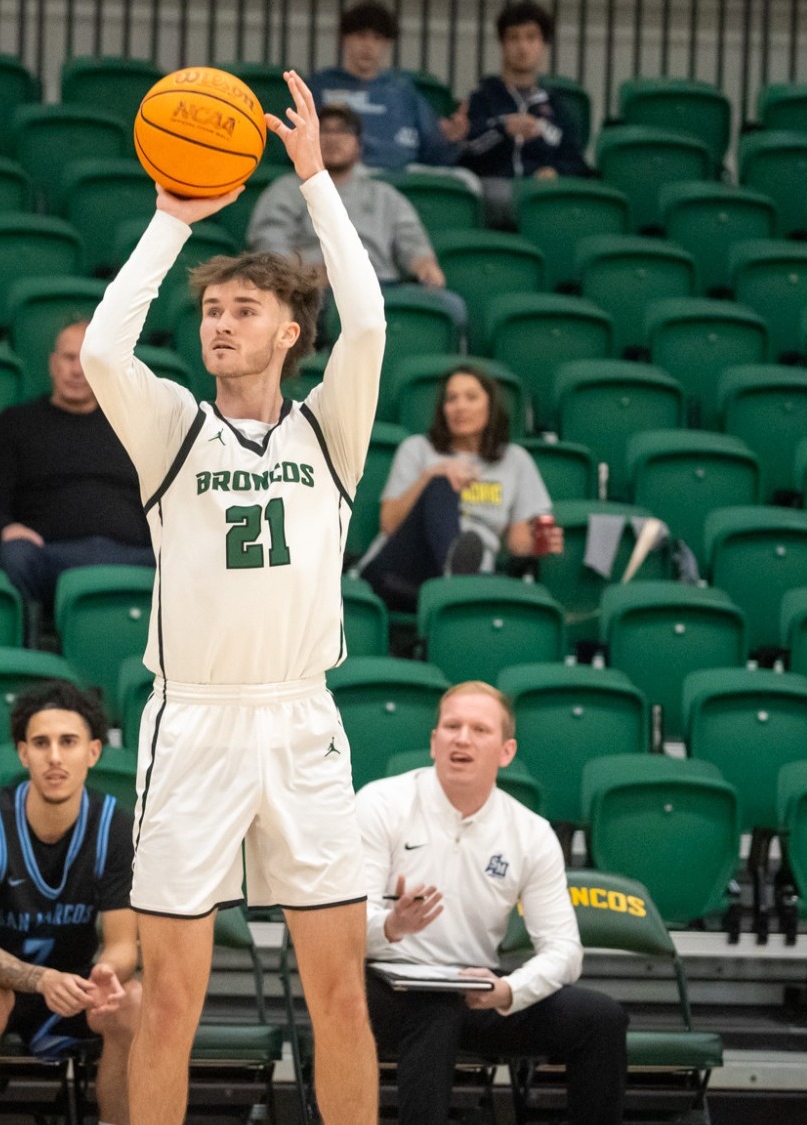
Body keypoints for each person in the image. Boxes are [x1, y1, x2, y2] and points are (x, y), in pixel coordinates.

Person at [80, 72, 383, 1125]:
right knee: (172, 999)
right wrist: (168, 224)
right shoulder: (171, 428)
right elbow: (104, 349)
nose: (217, 324)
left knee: (340, 996)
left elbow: (373, 324)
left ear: (287, 330)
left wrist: (314, 181)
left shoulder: (325, 433)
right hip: (195, 722)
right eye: (210, 310)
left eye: (241, 310)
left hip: (302, 720)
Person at [359, 683, 627, 1125]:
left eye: (479, 729)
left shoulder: (530, 833)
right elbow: (345, 928)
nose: (462, 738)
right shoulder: (381, 804)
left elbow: (564, 950)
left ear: (506, 752)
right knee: (435, 1008)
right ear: (434, 741)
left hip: (476, 993)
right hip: (384, 989)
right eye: (451, 726)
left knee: (601, 1018)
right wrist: (391, 925)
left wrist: (509, 991)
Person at [0, 681, 141, 1125]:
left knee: (132, 1000)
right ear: (22, 753)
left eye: (68, 742)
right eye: (41, 743)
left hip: (72, 986)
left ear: (92, 752)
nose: (54, 756)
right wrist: (43, 979)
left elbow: (123, 943)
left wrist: (107, 974)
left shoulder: (115, 826)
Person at [356, 367, 562, 611]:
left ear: (491, 405)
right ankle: (452, 574)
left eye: (471, 397)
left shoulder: (515, 460)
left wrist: (539, 543)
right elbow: (389, 524)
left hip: (477, 577)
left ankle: (457, 579)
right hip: (400, 574)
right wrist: (431, 475)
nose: (460, 406)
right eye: (451, 399)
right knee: (441, 484)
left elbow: (517, 542)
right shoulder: (418, 449)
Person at [249, 105, 470, 331]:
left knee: (451, 306)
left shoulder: (384, 195)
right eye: (323, 131)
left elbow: (412, 240)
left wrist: (425, 264)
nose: (333, 139)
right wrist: (307, 274)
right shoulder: (285, 190)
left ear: (359, 146)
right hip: (321, 290)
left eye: (343, 131)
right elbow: (270, 250)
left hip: (383, 287)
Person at [0, 318, 154, 606]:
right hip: (49, 556)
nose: (76, 370)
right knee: (14, 555)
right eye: (69, 358)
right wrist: (7, 529)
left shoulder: (134, 426)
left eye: (87, 360)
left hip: (132, 557)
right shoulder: (15, 423)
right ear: (53, 363)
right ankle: (25, 648)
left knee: (189, 560)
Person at [460, 2, 592, 227]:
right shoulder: (483, 99)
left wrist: (555, 171)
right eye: (514, 38)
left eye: (531, 38)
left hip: (541, 193)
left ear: (543, 45)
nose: (523, 47)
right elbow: (468, 153)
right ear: (502, 44)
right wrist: (503, 130)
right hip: (494, 187)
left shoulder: (556, 105)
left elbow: (577, 163)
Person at [310, 1, 470, 176]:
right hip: (343, 175)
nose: (368, 46)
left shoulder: (403, 91)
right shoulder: (320, 86)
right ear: (345, 39)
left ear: (387, 45)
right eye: (361, 36)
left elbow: (435, 155)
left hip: (403, 176)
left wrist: (451, 139)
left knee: (468, 181)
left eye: (377, 38)